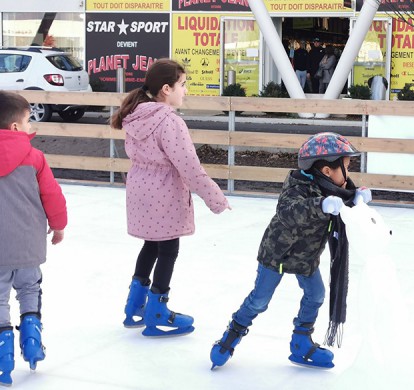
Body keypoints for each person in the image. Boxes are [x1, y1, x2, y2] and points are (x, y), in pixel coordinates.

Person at [209, 132, 372, 370]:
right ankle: (231, 336)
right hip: (277, 254)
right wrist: (320, 205)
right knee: (259, 301)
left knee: (315, 295)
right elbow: (289, 211)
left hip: (306, 257)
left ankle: (301, 344)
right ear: (327, 171)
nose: (349, 173)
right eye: (346, 167)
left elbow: (343, 205)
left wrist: (356, 199)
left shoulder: (335, 190)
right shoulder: (298, 185)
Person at [111, 59, 230, 337]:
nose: (185, 91)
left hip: (140, 189)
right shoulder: (169, 122)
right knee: (168, 250)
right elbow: (189, 167)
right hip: (163, 193)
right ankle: (156, 312)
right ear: (166, 89)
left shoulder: (136, 115)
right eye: (183, 85)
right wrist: (216, 198)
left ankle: (134, 306)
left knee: (151, 246)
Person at [0, 91, 67, 385]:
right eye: (28, 121)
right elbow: (51, 195)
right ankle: (31, 337)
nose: (30, 127)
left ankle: (3, 355)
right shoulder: (35, 157)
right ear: (15, 127)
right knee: (29, 288)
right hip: (28, 241)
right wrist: (59, 225)